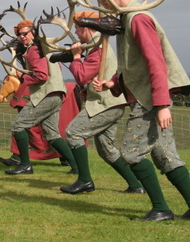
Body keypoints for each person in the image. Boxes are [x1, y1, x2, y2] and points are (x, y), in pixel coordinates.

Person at [92, 0, 190, 221]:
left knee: (131, 153)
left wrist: (162, 104)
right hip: (149, 98)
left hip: (149, 101)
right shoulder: (128, 19)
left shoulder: (138, 19)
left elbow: (156, 64)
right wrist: (112, 82)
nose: (101, 1)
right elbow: (134, 65)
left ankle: (161, 209)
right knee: (166, 157)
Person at [60, 10, 145, 195]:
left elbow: (82, 74)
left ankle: (84, 180)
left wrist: (75, 57)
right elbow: (92, 77)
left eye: (77, 28)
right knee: (106, 149)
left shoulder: (98, 49)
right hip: (111, 104)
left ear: (86, 28)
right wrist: (88, 91)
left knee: (73, 133)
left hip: (104, 105)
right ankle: (136, 185)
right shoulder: (97, 47)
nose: (75, 33)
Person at [4, 20, 78, 175]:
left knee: (18, 126)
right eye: (20, 35)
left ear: (34, 31)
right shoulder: (44, 47)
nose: (23, 37)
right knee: (52, 134)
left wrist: (23, 76)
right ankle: (76, 166)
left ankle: (25, 165)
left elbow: (41, 75)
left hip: (45, 95)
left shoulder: (34, 49)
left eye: (25, 33)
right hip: (57, 94)